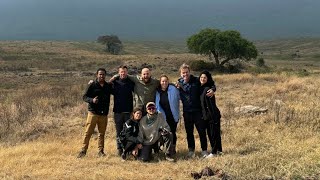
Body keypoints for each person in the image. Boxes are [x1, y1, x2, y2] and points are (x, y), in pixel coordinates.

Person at [176, 63, 215, 158]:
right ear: (180, 73)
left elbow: (210, 83)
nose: (185, 74)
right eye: (183, 73)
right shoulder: (179, 83)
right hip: (187, 111)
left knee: (201, 131)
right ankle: (191, 150)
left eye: (186, 72)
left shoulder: (196, 80)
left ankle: (204, 150)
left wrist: (213, 89)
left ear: (190, 72)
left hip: (198, 111)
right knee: (189, 132)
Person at [77, 68, 112, 158]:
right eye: (100, 74)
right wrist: (92, 100)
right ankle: (83, 150)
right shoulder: (92, 85)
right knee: (88, 132)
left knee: (102, 133)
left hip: (103, 114)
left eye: (103, 74)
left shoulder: (108, 86)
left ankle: (101, 151)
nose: (101, 76)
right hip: (93, 113)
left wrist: (114, 78)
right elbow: (84, 97)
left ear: (105, 75)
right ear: (97, 75)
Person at [112, 65, 135, 156]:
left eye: (124, 71)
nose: (123, 73)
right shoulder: (115, 82)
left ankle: (128, 149)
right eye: (121, 72)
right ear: (119, 73)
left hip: (128, 112)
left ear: (127, 72)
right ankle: (119, 149)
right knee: (119, 132)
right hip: (117, 112)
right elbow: (106, 87)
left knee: (129, 132)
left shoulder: (131, 82)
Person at [199, 71, 222, 158]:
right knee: (213, 133)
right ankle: (219, 151)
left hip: (212, 115)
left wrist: (213, 117)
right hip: (207, 115)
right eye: (201, 77)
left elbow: (211, 105)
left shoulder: (208, 90)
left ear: (208, 79)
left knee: (213, 134)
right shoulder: (201, 88)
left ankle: (214, 152)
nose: (202, 79)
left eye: (204, 77)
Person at [155, 74, 180, 155]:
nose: (164, 83)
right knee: (164, 133)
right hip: (163, 116)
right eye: (162, 81)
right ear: (160, 82)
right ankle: (165, 149)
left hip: (173, 115)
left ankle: (172, 149)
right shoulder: (157, 91)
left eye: (166, 81)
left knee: (172, 132)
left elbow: (180, 95)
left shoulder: (173, 89)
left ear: (168, 82)